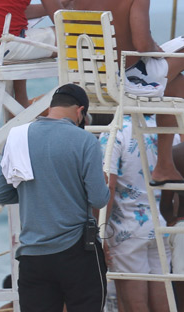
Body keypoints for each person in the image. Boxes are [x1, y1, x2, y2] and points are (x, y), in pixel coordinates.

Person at [0, 83, 124, 312]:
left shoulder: (17, 138)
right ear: (80, 111)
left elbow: (1, 192)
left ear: (52, 107)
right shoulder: (84, 141)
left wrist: (39, 192)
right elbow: (97, 197)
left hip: (33, 256)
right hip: (77, 252)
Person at [102, 115, 179, 312]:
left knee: (133, 306)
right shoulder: (164, 128)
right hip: (156, 222)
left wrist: (100, 232)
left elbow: (107, 188)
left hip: (126, 227)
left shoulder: (115, 133)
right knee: (162, 305)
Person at [73, 0, 184, 184]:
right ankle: (164, 164)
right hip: (124, 81)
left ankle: (165, 166)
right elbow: (141, 45)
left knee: (177, 83)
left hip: (86, 80)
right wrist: (154, 48)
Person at [0, 0, 68, 107]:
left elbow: (16, 10)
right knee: (72, 36)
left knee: (20, 31)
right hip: (1, 46)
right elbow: (62, 22)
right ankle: (70, 100)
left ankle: (20, 102)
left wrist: (62, 3)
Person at [160, 142, 184, 312]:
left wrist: (172, 220)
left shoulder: (176, 153)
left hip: (182, 229)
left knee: (182, 306)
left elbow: (165, 205)